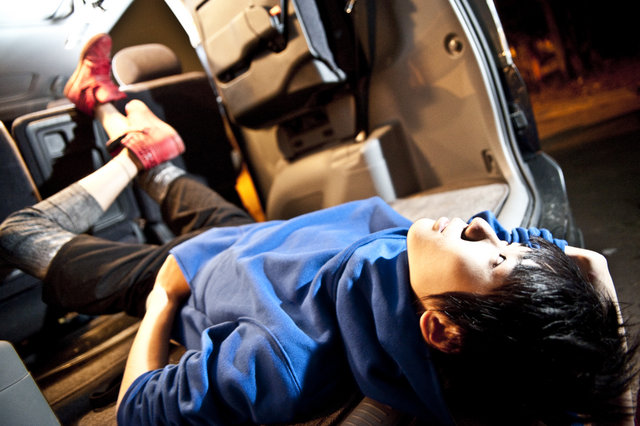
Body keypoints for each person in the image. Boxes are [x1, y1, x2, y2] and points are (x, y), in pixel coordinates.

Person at [0, 34, 635, 425]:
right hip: (255, 235)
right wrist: (618, 405)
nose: (483, 228)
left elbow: (140, 408)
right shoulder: (451, 276)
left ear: (440, 331)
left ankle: (129, 145)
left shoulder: (282, 361)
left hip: (188, 273)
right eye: (511, 245)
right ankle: (106, 105)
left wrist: (163, 300)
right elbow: (587, 266)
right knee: (169, 177)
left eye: (494, 256)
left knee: (19, 232)